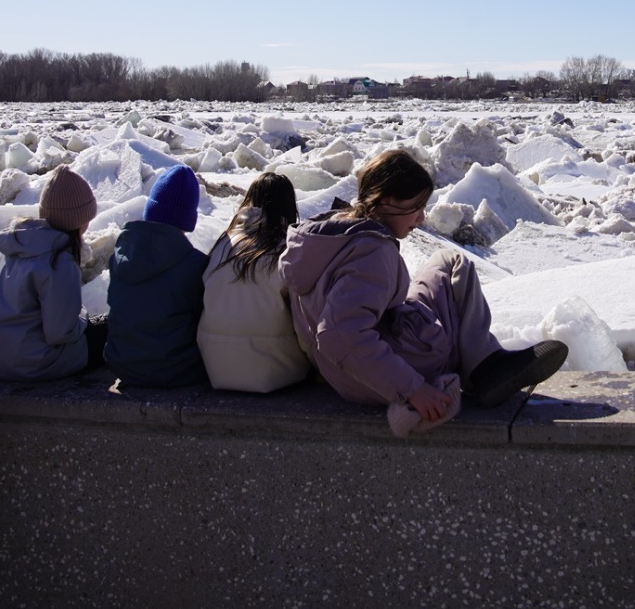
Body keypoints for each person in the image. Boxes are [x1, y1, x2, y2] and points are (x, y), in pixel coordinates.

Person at [280, 148, 568, 430]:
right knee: (455, 266)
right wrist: (413, 389)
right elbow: (338, 334)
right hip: (387, 372)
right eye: (415, 207)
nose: (420, 219)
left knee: (443, 263)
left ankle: (482, 361)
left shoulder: (328, 236)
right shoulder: (373, 252)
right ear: (387, 200)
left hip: (343, 373)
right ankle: (486, 366)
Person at [0, 166, 106, 381]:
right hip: (38, 362)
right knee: (113, 330)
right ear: (80, 219)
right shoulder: (59, 259)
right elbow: (61, 332)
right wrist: (83, 316)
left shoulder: (9, 244)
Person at [198, 172, 310, 393]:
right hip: (275, 370)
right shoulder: (285, 248)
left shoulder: (225, 243)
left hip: (216, 365)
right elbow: (303, 319)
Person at [105, 165, 210, 388]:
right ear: (188, 218)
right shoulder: (194, 265)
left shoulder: (120, 255)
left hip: (122, 366)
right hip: (177, 371)